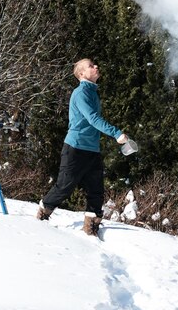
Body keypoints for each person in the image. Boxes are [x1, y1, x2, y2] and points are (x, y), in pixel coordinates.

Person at [36, 58, 128, 236]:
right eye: (91, 66)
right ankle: (42, 213)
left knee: (96, 190)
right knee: (64, 186)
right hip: (75, 148)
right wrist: (116, 133)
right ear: (81, 74)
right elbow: (93, 119)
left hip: (92, 150)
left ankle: (90, 228)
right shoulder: (81, 93)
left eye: (95, 65)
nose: (96, 67)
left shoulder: (92, 91)